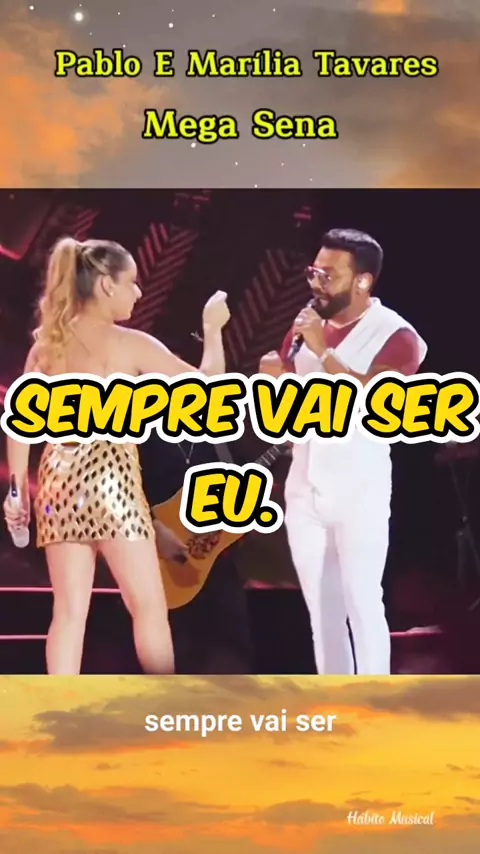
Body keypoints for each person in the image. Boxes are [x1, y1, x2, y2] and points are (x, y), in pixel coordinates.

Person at [2, 236, 229, 675]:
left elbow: (19, 425)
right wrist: (214, 328)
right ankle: (163, 703)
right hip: (112, 482)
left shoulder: (47, 345)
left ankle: (61, 707)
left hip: (57, 483)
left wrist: (18, 492)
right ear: (107, 285)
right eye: (132, 283)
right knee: (148, 608)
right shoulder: (132, 344)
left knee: (69, 614)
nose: (138, 293)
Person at [259, 228, 427, 675]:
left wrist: (323, 352)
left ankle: (374, 696)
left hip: (359, 487)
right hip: (305, 485)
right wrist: (275, 379)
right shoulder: (305, 326)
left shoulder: (395, 334)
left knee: (362, 600)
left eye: (328, 275)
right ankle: (338, 700)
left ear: (363, 281)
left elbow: (381, 401)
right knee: (322, 610)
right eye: (313, 272)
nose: (316, 283)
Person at [140, 435, 255, 674]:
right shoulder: (146, 434)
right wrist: (154, 528)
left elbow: (243, 480)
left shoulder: (220, 436)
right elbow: (124, 489)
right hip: (159, 569)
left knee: (234, 660)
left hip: (217, 567)